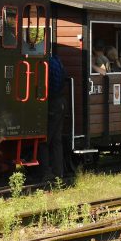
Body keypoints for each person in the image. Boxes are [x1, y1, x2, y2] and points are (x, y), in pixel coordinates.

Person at [41, 50, 68, 186]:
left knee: (44, 140)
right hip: (61, 101)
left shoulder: (48, 63)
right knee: (57, 140)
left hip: (52, 102)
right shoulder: (57, 61)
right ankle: (58, 173)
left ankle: (45, 172)